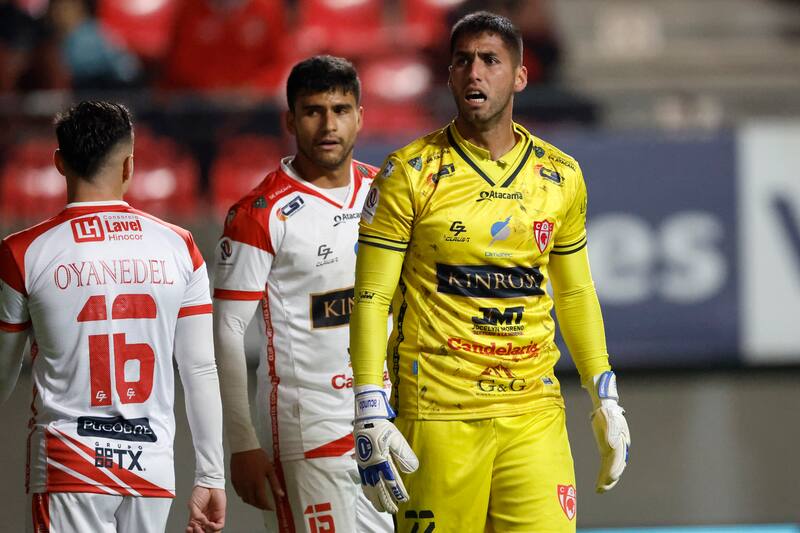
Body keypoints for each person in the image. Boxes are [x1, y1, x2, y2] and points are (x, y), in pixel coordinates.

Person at [349, 11, 631, 533]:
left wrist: (604, 394)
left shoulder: (561, 175)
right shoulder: (408, 173)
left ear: (520, 76)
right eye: (463, 61)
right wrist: (369, 406)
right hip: (437, 414)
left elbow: (575, 294)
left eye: (490, 60)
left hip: (534, 414)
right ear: (450, 76)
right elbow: (370, 295)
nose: (475, 72)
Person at [0, 101, 226, 533]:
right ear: (129, 166)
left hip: (71, 464)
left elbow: (2, 374)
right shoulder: (180, 247)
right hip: (151, 465)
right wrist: (211, 474)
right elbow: (199, 368)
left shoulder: (22, 251)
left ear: (59, 163)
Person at [212, 55, 393, 533]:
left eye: (341, 109)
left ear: (361, 116)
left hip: (391, 423)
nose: (329, 124)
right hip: (309, 433)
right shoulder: (260, 212)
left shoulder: (389, 192)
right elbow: (227, 333)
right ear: (290, 120)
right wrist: (242, 444)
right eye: (313, 111)